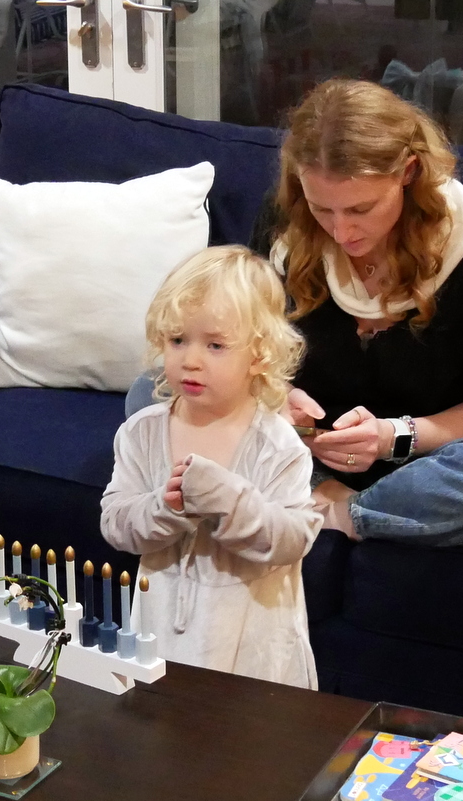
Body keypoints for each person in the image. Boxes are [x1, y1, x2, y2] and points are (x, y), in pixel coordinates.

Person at [247, 77, 463, 546]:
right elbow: (243, 343)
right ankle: (328, 500)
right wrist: (275, 396)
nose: (341, 231)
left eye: (361, 208)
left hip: (425, 463)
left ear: (408, 173)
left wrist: (389, 437)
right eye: (322, 209)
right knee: (162, 389)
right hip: (303, 451)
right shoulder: (286, 225)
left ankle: (339, 512)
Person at [102, 245, 321, 688]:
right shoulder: (142, 433)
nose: (191, 359)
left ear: (259, 355)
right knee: (157, 726)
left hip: (253, 652)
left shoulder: (276, 445)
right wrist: (164, 508)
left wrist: (230, 502)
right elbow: (116, 523)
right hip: (160, 640)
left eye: (215, 345)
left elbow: (293, 538)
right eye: (177, 340)